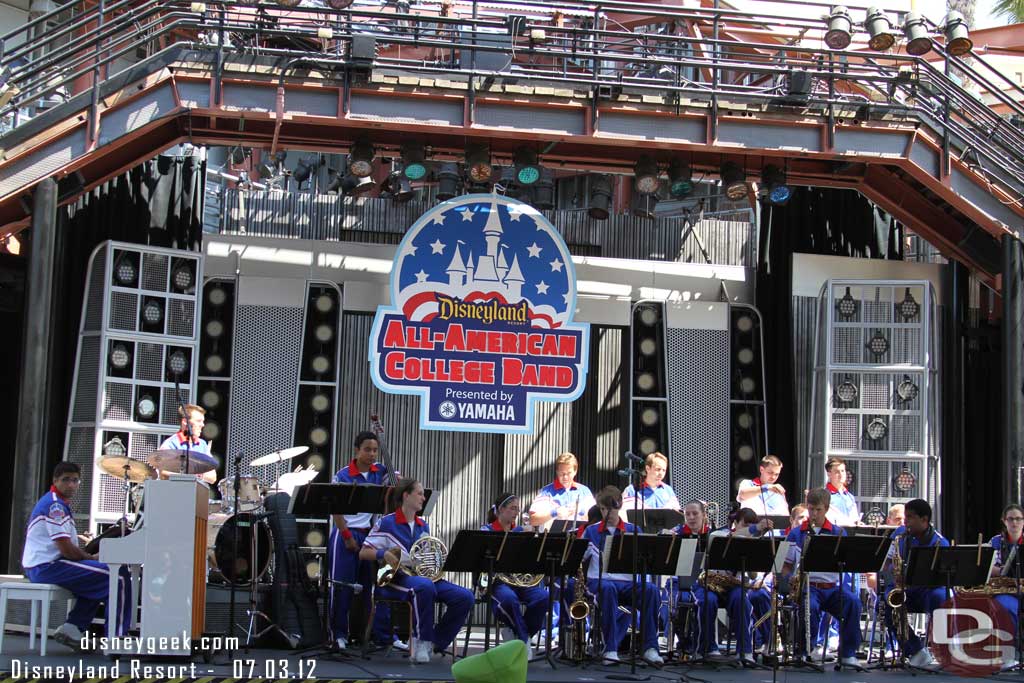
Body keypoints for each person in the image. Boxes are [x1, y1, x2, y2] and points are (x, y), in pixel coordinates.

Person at [360, 479, 473, 664]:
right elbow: (363, 552)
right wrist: (383, 553)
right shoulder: (387, 523)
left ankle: (435, 642)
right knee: (425, 587)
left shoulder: (423, 525)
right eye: (419, 493)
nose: (423, 497)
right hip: (394, 580)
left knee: (465, 597)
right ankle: (421, 641)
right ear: (406, 495)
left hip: (422, 578)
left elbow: (425, 555)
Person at [22, 462, 131, 651]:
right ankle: (117, 638)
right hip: (46, 566)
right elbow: (66, 549)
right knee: (117, 575)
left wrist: (89, 558)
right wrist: (90, 557)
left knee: (99, 576)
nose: (71, 485)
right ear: (55, 480)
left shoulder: (57, 502)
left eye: (75, 480)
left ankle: (72, 628)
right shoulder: (54, 505)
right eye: (66, 480)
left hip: (47, 565)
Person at [581, 485, 663, 665]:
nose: (607, 513)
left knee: (651, 590)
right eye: (603, 509)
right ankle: (610, 649)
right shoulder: (592, 531)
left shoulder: (634, 530)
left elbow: (644, 563)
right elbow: (578, 558)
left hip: (627, 584)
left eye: (611, 508)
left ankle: (650, 648)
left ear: (619, 506)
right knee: (608, 588)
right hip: (600, 583)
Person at [781, 487, 861, 668]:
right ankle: (804, 651)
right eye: (811, 509)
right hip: (808, 587)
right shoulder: (796, 533)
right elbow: (784, 565)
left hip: (832, 587)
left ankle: (848, 653)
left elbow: (846, 563)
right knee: (810, 606)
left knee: (853, 602)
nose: (814, 514)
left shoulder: (838, 533)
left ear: (826, 509)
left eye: (818, 510)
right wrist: (784, 580)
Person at [329, 431, 391, 650]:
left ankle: (364, 634)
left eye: (375, 450)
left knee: (368, 587)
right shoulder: (343, 475)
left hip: (369, 534)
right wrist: (346, 537)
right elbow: (335, 510)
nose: (372, 454)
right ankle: (337, 634)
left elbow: (393, 488)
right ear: (357, 450)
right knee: (343, 586)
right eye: (367, 449)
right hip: (346, 532)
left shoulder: (380, 471)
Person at [882, 498, 947, 670]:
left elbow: (943, 577)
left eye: (910, 517)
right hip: (904, 590)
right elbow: (886, 564)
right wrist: (892, 576)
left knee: (941, 598)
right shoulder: (899, 535)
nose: (905, 521)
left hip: (927, 590)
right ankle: (916, 650)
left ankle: (944, 652)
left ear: (924, 520)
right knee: (887, 603)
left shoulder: (940, 542)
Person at [480, 492, 547, 654]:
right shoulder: (486, 530)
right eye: (512, 508)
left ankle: (517, 634)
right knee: (509, 599)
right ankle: (523, 641)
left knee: (543, 597)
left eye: (517, 509)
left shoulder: (520, 530)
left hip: (519, 582)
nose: (516, 512)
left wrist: (533, 541)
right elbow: (480, 560)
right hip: (496, 582)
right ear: (501, 510)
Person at [528, 452, 596, 529]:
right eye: (562, 473)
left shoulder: (584, 491)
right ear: (557, 472)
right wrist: (554, 513)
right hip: (553, 539)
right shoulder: (546, 492)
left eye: (569, 473)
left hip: (578, 538)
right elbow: (532, 520)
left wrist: (581, 512)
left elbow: (597, 519)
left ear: (575, 471)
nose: (565, 477)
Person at [991, 504, 1023, 651]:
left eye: (1018, 519)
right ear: (1004, 521)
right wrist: (1002, 570)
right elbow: (987, 567)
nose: (1014, 523)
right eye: (1010, 519)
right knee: (1004, 606)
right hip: (1006, 591)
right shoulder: (996, 541)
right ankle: (1010, 651)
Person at [157, 404, 216, 484]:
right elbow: (164, 474)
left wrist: (187, 474)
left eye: (203, 421)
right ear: (185, 422)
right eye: (199, 421)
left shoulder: (202, 445)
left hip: (197, 494)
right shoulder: (170, 444)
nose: (202, 425)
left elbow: (212, 477)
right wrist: (199, 473)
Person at [621, 452, 681, 522]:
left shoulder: (669, 491)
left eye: (664, 470)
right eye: (658, 469)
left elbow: (677, 517)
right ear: (648, 468)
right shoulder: (631, 490)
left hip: (665, 532)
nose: (661, 473)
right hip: (640, 532)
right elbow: (623, 516)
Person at [824, 457, 860, 526]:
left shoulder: (850, 496)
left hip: (849, 534)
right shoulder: (824, 496)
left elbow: (855, 519)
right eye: (837, 472)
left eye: (843, 471)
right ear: (829, 474)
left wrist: (857, 522)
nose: (841, 475)